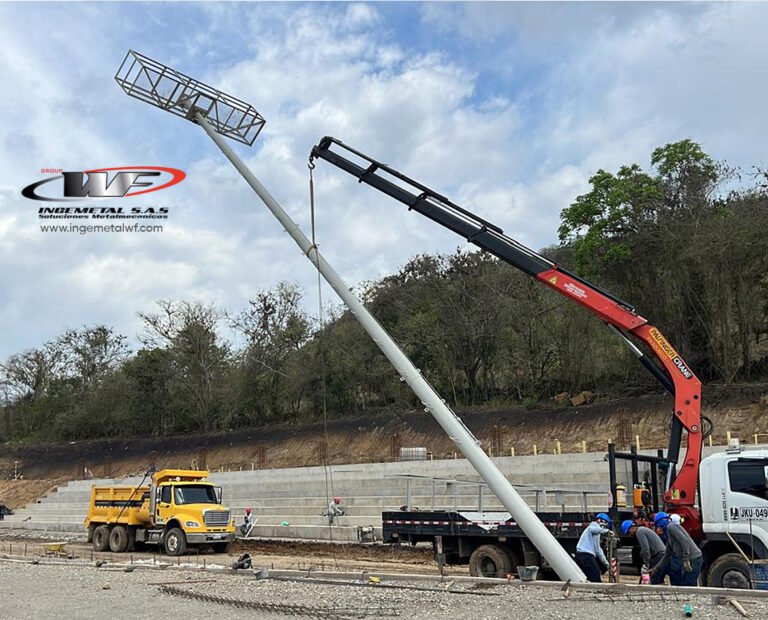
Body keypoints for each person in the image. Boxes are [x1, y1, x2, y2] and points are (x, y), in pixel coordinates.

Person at [649, 512, 703, 586]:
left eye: (657, 527)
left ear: (662, 523)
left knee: (689, 585)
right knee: (684, 585)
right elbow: (666, 556)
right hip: (689, 559)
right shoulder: (669, 536)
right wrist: (655, 569)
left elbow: (685, 541)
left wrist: (686, 559)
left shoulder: (671, 526)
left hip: (693, 558)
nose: (657, 530)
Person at [622, 519, 666, 584]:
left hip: (658, 555)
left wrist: (646, 563)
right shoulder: (642, 530)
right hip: (660, 554)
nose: (630, 535)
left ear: (631, 528)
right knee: (657, 578)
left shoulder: (640, 532)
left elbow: (645, 549)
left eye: (629, 532)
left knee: (654, 579)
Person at [575, 512, 613, 582]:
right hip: (586, 555)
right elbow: (592, 529)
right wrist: (606, 531)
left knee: (589, 576)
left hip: (582, 555)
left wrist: (607, 564)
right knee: (595, 575)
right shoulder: (594, 525)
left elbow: (598, 550)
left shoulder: (596, 533)